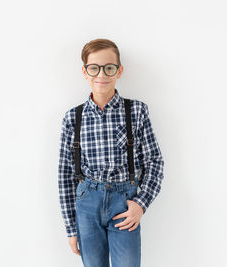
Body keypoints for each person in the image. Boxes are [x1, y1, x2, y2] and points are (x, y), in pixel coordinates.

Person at [58, 38, 165, 267]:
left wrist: (140, 203)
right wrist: (70, 227)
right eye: (94, 68)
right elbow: (65, 175)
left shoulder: (136, 111)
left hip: (124, 202)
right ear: (85, 72)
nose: (102, 74)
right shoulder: (72, 118)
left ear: (119, 70)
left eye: (109, 67)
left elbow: (154, 161)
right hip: (87, 203)